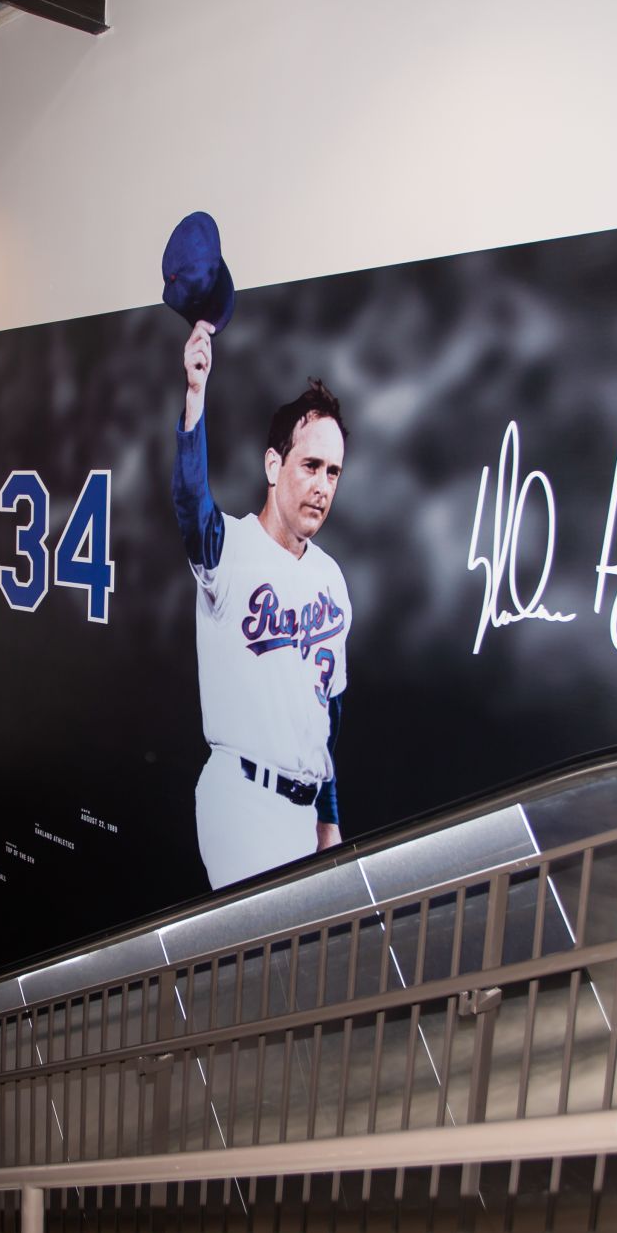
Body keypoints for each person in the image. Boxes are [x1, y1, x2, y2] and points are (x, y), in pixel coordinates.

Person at [171, 318, 352, 889]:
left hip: (302, 813)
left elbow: (331, 716)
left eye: (333, 472)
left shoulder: (332, 581)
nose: (323, 485)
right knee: (266, 964)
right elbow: (190, 501)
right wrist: (195, 395)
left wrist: (329, 819)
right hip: (240, 801)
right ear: (274, 467)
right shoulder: (230, 547)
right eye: (310, 466)